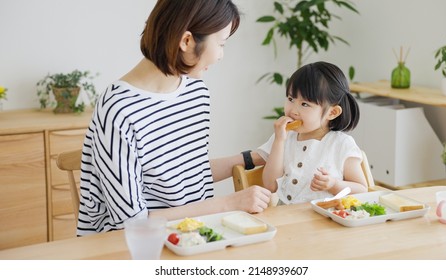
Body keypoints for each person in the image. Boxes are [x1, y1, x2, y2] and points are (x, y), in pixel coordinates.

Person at [77, 0, 270, 236]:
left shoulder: (195, 92)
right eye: (221, 44)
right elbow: (131, 222)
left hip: (189, 236)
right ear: (186, 41)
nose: (220, 56)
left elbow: (189, 173)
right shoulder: (118, 109)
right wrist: (229, 204)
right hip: (129, 249)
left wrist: (254, 157)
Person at [257, 61, 368, 205]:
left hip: (324, 220)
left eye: (305, 104)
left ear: (332, 112)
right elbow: (270, 185)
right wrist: (278, 141)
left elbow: (361, 189)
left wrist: (334, 185)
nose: (293, 110)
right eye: (291, 99)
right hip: (287, 219)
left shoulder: (341, 144)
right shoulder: (284, 138)